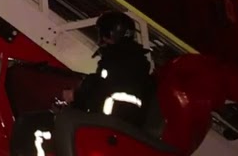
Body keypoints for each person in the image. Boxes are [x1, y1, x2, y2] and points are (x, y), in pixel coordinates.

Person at [10, 11, 155, 156]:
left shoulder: (121, 63)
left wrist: (76, 96)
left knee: (30, 126)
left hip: (108, 131)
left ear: (112, 34)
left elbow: (107, 98)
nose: (101, 39)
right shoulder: (130, 63)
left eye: (103, 33)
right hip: (109, 128)